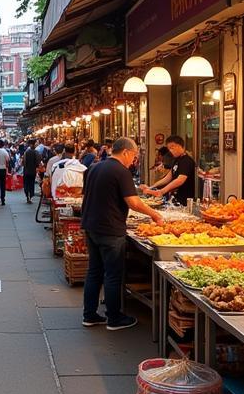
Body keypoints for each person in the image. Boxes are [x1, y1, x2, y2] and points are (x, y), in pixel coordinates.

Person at [80, 137, 164, 330]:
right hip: (110, 229)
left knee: (94, 272)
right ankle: (114, 318)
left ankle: (90, 315)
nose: (133, 160)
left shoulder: (95, 167)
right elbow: (133, 203)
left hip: (91, 226)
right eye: (134, 156)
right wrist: (154, 214)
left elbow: (91, 195)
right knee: (112, 274)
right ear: (126, 152)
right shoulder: (121, 171)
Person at [141, 135, 196, 205]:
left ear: (179, 146)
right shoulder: (177, 159)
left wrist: (162, 191)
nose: (170, 150)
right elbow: (168, 177)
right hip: (175, 198)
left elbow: (180, 180)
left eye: (172, 148)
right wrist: (151, 187)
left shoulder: (187, 161)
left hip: (184, 200)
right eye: (169, 148)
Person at [22, 139, 39, 203]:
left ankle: (27, 195)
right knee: (31, 184)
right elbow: (38, 161)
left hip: (26, 170)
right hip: (33, 171)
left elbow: (23, 162)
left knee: (26, 183)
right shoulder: (36, 152)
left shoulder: (26, 152)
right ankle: (31, 196)